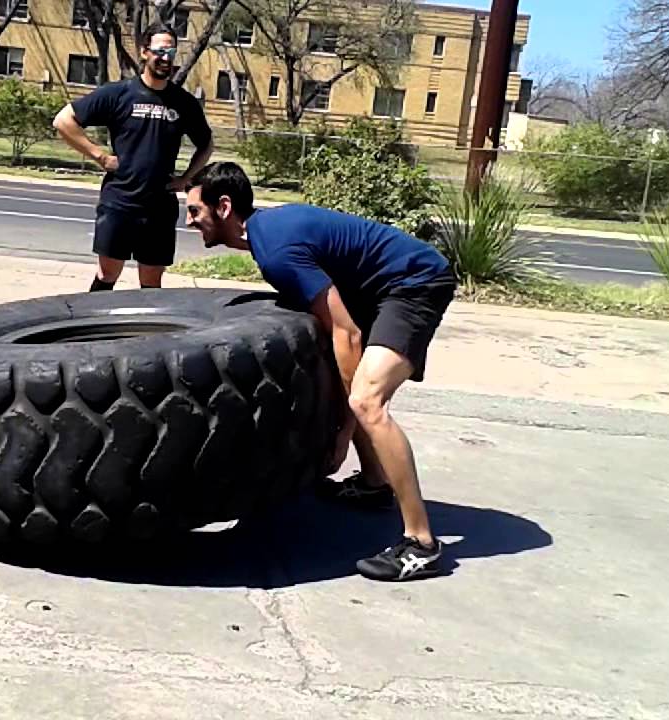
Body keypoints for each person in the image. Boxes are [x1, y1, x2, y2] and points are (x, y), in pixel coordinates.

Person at [183, 161, 458, 582]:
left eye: (194, 211)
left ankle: (421, 544)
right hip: (380, 287)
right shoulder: (266, 234)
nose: (188, 221)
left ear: (223, 207)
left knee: (367, 401)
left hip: (414, 282)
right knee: (357, 391)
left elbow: (345, 334)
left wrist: (342, 432)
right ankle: (373, 484)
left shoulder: (275, 252)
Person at [52, 24, 214, 292]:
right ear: (144, 52)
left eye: (171, 51)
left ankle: (146, 335)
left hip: (159, 209)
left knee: (151, 284)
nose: (165, 58)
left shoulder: (182, 102)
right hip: (120, 203)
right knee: (107, 275)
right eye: (159, 51)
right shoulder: (119, 94)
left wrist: (186, 178)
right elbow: (63, 121)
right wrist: (100, 156)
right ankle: (94, 331)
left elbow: (206, 144)